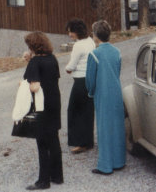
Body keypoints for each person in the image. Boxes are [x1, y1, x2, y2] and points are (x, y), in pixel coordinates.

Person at [23, 31, 63, 190]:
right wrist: (30, 60)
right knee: (53, 140)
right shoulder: (52, 58)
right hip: (54, 101)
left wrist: (24, 86)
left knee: (42, 143)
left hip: (41, 106)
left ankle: (43, 181)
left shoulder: (35, 62)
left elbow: (35, 86)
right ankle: (57, 176)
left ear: (32, 46)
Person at [85, 20, 126, 175]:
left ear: (95, 36)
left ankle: (106, 165)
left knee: (104, 127)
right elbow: (118, 71)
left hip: (102, 93)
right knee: (117, 125)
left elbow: (90, 80)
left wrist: (91, 92)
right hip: (116, 91)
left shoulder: (94, 54)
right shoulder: (117, 52)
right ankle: (119, 161)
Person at [65, 19, 96, 154]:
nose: (69, 34)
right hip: (89, 79)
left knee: (74, 111)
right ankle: (88, 141)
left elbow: (71, 66)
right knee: (87, 111)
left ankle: (80, 142)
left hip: (80, 81)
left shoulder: (78, 46)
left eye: (70, 31)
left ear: (76, 32)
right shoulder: (90, 41)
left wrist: (67, 68)